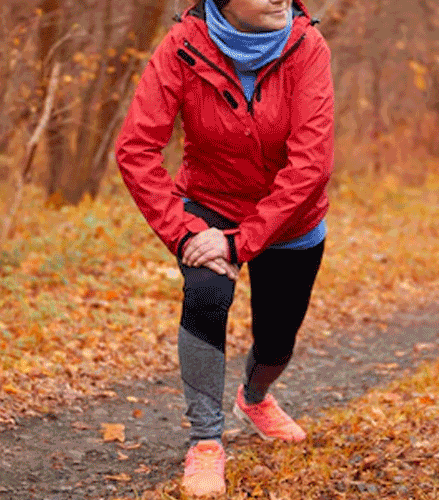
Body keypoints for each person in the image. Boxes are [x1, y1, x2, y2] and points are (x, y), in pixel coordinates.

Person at [114, 0, 333, 496]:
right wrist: (185, 233)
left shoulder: (307, 47)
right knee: (207, 293)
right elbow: (136, 148)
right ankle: (206, 441)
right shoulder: (181, 46)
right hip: (210, 205)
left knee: (277, 342)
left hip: (291, 216)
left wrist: (241, 242)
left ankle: (254, 398)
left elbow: (311, 165)